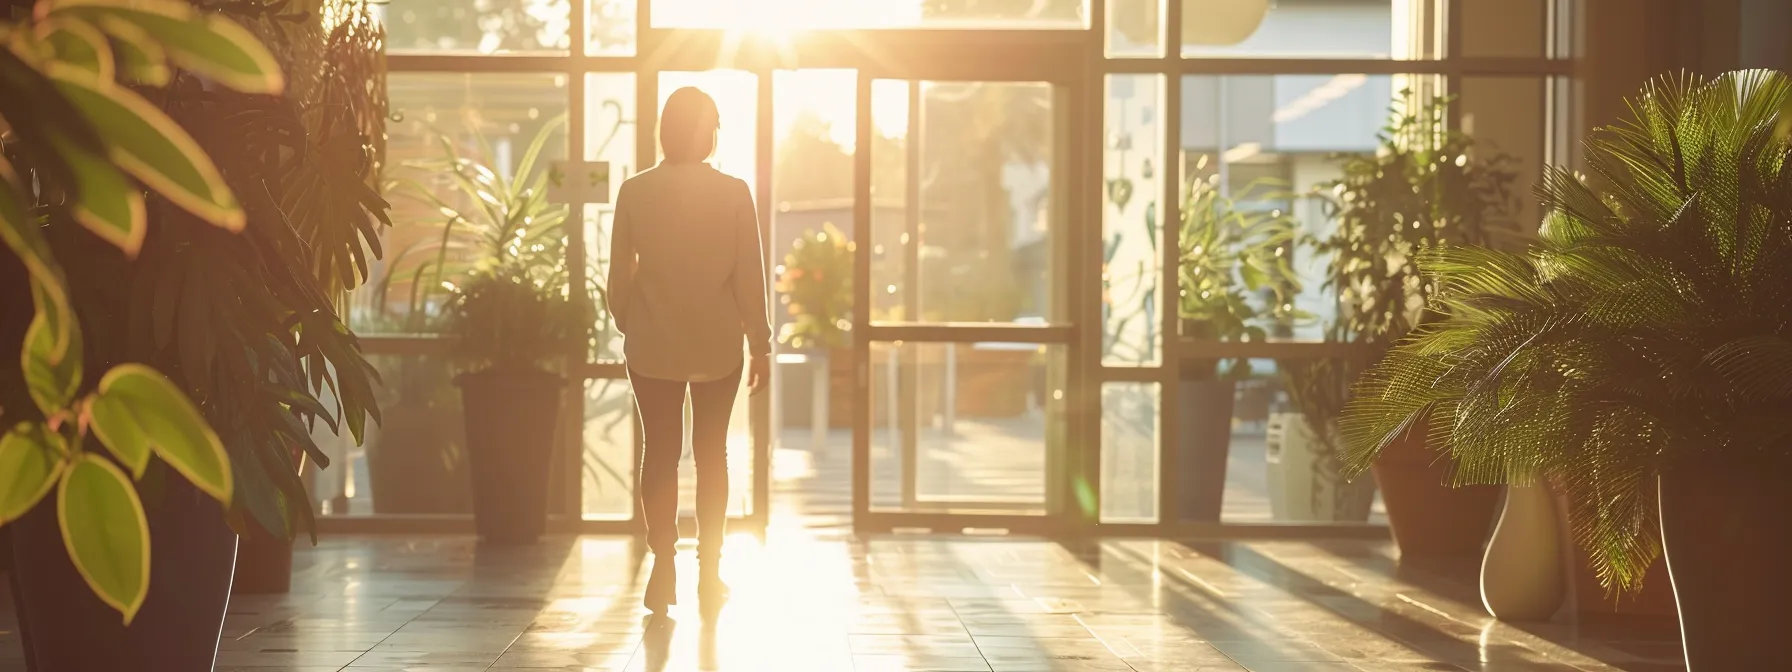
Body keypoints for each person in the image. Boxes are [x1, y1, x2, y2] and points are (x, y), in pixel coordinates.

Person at [607, 86, 771, 614]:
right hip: (719, 345)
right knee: (711, 456)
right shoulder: (735, 192)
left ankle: (662, 568)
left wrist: (633, 323)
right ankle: (709, 571)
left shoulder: (634, 192)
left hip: (652, 345)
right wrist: (760, 342)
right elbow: (750, 278)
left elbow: (617, 280)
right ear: (710, 131)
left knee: (658, 453)